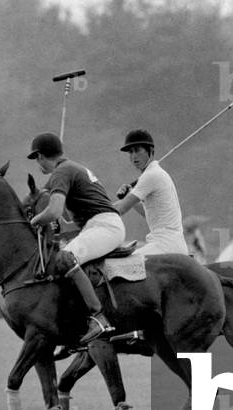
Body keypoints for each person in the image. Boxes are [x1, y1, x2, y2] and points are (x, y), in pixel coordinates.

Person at [27, 132, 125, 344]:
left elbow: (53, 212)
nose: (38, 164)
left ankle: (98, 318)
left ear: (41, 156)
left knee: (65, 258)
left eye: (37, 159)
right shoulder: (71, 168)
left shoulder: (62, 171)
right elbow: (67, 220)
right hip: (97, 225)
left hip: (104, 226)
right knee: (61, 259)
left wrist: (33, 222)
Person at [113, 129, 189, 256]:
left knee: (120, 264)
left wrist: (94, 211)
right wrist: (128, 195)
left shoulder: (151, 175)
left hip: (165, 245)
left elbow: (121, 208)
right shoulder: (153, 174)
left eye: (137, 150)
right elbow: (147, 214)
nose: (133, 156)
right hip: (172, 244)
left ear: (150, 151)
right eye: (130, 152)